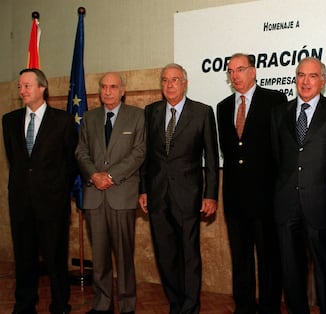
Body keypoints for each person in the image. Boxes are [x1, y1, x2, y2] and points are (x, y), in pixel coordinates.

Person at [271, 57, 326, 314]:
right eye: (301, 75)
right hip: (286, 207)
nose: (305, 81)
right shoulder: (278, 113)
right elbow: (277, 158)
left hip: (322, 207)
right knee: (291, 272)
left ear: (324, 80)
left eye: (312, 76)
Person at [138, 63, 219, 314]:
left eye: (174, 80)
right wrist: (143, 190)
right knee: (165, 254)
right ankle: (176, 304)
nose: (169, 85)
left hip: (189, 196)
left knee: (189, 255)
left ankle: (190, 307)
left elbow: (212, 158)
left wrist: (210, 194)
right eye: (165, 80)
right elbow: (146, 156)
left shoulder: (202, 112)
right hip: (157, 195)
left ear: (184, 83)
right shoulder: (151, 111)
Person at [2, 68, 78, 314]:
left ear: (42, 88)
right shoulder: (9, 120)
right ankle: (24, 304)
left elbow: (71, 162)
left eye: (27, 86)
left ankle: (59, 305)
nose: (22, 91)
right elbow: (16, 160)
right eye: (20, 86)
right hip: (21, 202)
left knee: (56, 258)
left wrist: (56, 190)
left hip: (53, 203)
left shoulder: (63, 120)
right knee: (23, 257)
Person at [216, 53, 286, 314]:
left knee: (269, 258)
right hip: (235, 199)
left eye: (240, 69)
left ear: (253, 72)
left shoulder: (274, 100)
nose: (235, 75)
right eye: (230, 71)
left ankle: (269, 307)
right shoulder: (222, 107)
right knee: (241, 258)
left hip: (267, 198)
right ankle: (244, 306)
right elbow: (230, 151)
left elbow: (280, 151)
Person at [75, 72, 146, 314]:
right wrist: (94, 175)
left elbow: (138, 153)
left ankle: (127, 305)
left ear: (123, 90)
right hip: (95, 196)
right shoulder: (89, 117)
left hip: (121, 195)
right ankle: (102, 303)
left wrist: (111, 176)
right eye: (104, 87)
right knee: (100, 255)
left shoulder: (137, 116)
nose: (107, 91)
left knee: (125, 257)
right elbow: (81, 152)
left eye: (113, 87)